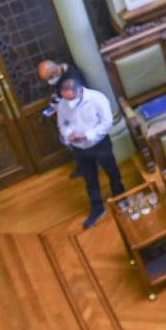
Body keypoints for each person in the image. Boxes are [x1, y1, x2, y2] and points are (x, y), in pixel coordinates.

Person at [56, 79, 123, 228]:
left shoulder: (97, 98)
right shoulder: (62, 104)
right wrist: (69, 134)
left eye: (71, 99)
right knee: (89, 179)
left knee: (112, 171)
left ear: (79, 91)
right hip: (79, 148)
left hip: (99, 144)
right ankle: (97, 208)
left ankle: (120, 197)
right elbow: (62, 123)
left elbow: (107, 122)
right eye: (66, 99)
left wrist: (87, 135)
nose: (68, 103)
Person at [38, 59, 88, 177]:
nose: (49, 81)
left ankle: (86, 166)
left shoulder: (72, 79)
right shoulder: (61, 73)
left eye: (50, 78)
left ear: (56, 72)